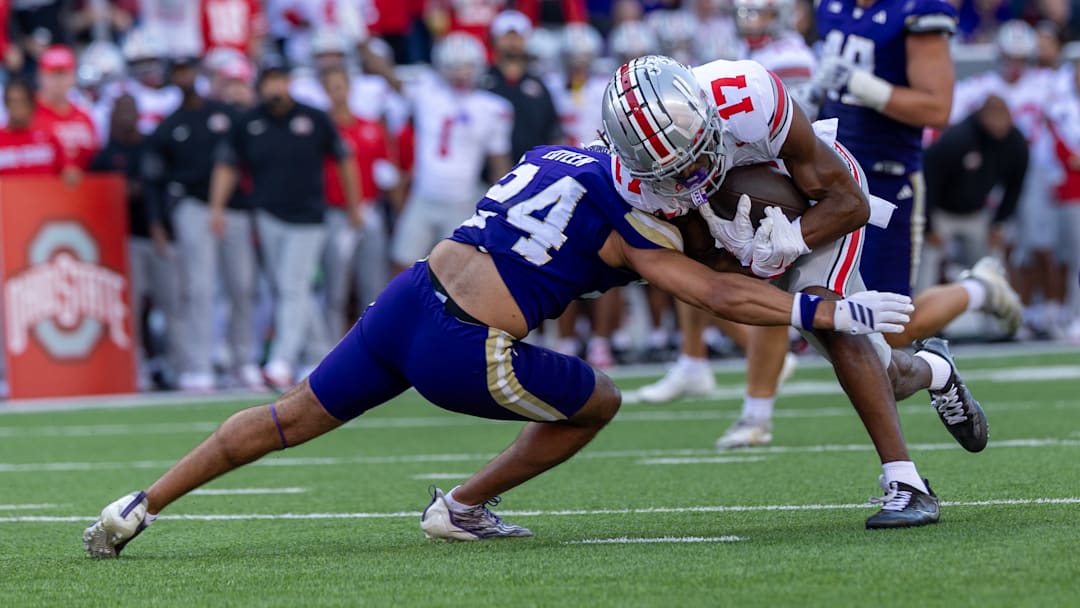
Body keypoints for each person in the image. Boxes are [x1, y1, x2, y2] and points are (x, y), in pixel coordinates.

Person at [83, 141, 913, 557]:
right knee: (598, 400)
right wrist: (820, 309)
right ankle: (461, 508)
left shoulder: (557, 152)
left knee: (286, 416)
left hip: (407, 299)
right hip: (462, 343)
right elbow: (716, 292)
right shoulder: (635, 218)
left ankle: (139, 505)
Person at [602, 54, 985, 527]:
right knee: (888, 375)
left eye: (697, 155)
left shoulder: (747, 95)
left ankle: (906, 482)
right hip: (739, 235)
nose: (692, 178)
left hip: (814, 202)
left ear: (703, 111)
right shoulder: (632, 184)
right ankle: (934, 369)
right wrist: (746, 257)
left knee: (831, 314)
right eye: (674, 173)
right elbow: (707, 278)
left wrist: (793, 239)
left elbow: (850, 203)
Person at [634, 0, 815, 454]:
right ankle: (697, 362)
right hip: (735, 172)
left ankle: (972, 301)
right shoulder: (739, 51)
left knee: (873, 338)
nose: (753, 22)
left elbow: (791, 130)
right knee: (692, 259)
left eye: (763, 14)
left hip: (778, 179)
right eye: (748, 13)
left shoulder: (790, 56)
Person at [812, 1, 1021, 348]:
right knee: (815, 302)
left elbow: (937, 108)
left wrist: (862, 85)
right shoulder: (834, 7)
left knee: (887, 335)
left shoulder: (914, 12)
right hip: (830, 173)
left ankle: (979, 289)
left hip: (884, 181)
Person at [208, 58, 362, 391]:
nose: (275, 88)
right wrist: (217, 208)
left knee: (292, 286)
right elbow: (228, 165)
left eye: (281, 81)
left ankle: (282, 360)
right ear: (260, 86)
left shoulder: (314, 118)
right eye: (269, 82)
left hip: (309, 217)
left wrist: (354, 205)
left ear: (290, 83)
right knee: (289, 289)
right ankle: (321, 356)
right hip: (267, 215)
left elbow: (344, 159)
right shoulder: (249, 122)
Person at [144, 57, 261, 392]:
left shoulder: (226, 114)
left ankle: (244, 360)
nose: (184, 77)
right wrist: (156, 220)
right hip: (193, 207)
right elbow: (154, 177)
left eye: (189, 71)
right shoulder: (169, 126)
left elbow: (254, 151)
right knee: (200, 288)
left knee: (242, 286)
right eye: (178, 72)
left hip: (235, 208)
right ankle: (200, 364)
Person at [383, 32, 513, 273]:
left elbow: (499, 163)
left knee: (453, 274)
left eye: (467, 66)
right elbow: (390, 78)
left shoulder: (493, 108)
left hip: (462, 201)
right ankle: (403, 311)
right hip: (423, 196)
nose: (461, 73)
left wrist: (504, 206)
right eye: (453, 66)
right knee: (401, 264)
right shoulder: (426, 92)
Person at [90, 93, 181, 391]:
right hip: (125, 241)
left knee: (173, 303)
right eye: (120, 110)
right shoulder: (105, 156)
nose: (126, 116)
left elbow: (165, 186)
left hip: (160, 236)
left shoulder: (152, 146)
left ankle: (178, 366)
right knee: (131, 310)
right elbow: (93, 198)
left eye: (130, 109)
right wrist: (120, 193)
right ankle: (138, 369)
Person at [319, 64, 394, 338]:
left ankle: (372, 345)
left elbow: (386, 170)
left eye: (341, 85)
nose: (338, 92)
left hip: (369, 210)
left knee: (373, 285)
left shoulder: (370, 126)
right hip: (336, 213)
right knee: (335, 287)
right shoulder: (323, 128)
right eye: (332, 87)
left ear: (350, 88)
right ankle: (329, 348)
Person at [921, 95, 1027, 281]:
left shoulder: (1015, 142)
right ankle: (918, 305)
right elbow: (929, 179)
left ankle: (992, 308)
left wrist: (999, 222)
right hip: (941, 212)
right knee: (927, 263)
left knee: (990, 266)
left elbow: (1015, 185)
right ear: (983, 117)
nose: (999, 126)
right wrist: (928, 225)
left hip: (977, 213)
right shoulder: (958, 138)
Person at [483, 11, 562, 164]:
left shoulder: (539, 85)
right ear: (494, 39)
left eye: (518, 36)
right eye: (506, 35)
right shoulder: (482, 82)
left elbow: (553, 130)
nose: (512, 41)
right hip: (485, 176)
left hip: (532, 173)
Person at [32, 44, 98, 170]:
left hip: (83, 187)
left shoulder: (84, 117)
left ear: (73, 76)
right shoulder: (29, 114)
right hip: (38, 186)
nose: (59, 80)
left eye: (63, 73)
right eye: (53, 74)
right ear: (40, 76)